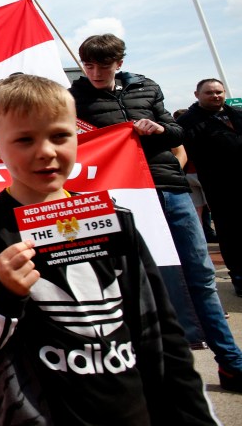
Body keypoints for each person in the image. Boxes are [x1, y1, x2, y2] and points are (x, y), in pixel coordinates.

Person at [0, 73, 217, 424]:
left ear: (78, 138)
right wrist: (2, 292)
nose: (46, 152)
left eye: (60, 136)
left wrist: (194, 415)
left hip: (132, 407)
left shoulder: (116, 219)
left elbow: (161, 330)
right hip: (36, 412)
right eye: (24, 140)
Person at [69, 35, 242, 392]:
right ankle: (139, 370)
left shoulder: (146, 88)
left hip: (167, 188)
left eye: (103, 65)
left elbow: (179, 133)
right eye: (89, 65)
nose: (96, 72)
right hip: (115, 196)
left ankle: (231, 362)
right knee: (124, 283)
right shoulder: (72, 98)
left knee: (200, 275)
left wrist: (160, 129)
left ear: (119, 62)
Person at [178, 79, 242, 296]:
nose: (215, 96)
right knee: (232, 235)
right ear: (197, 94)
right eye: (209, 93)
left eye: (219, 92)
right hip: (221, 188)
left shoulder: (236, 114)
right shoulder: (188, 122)